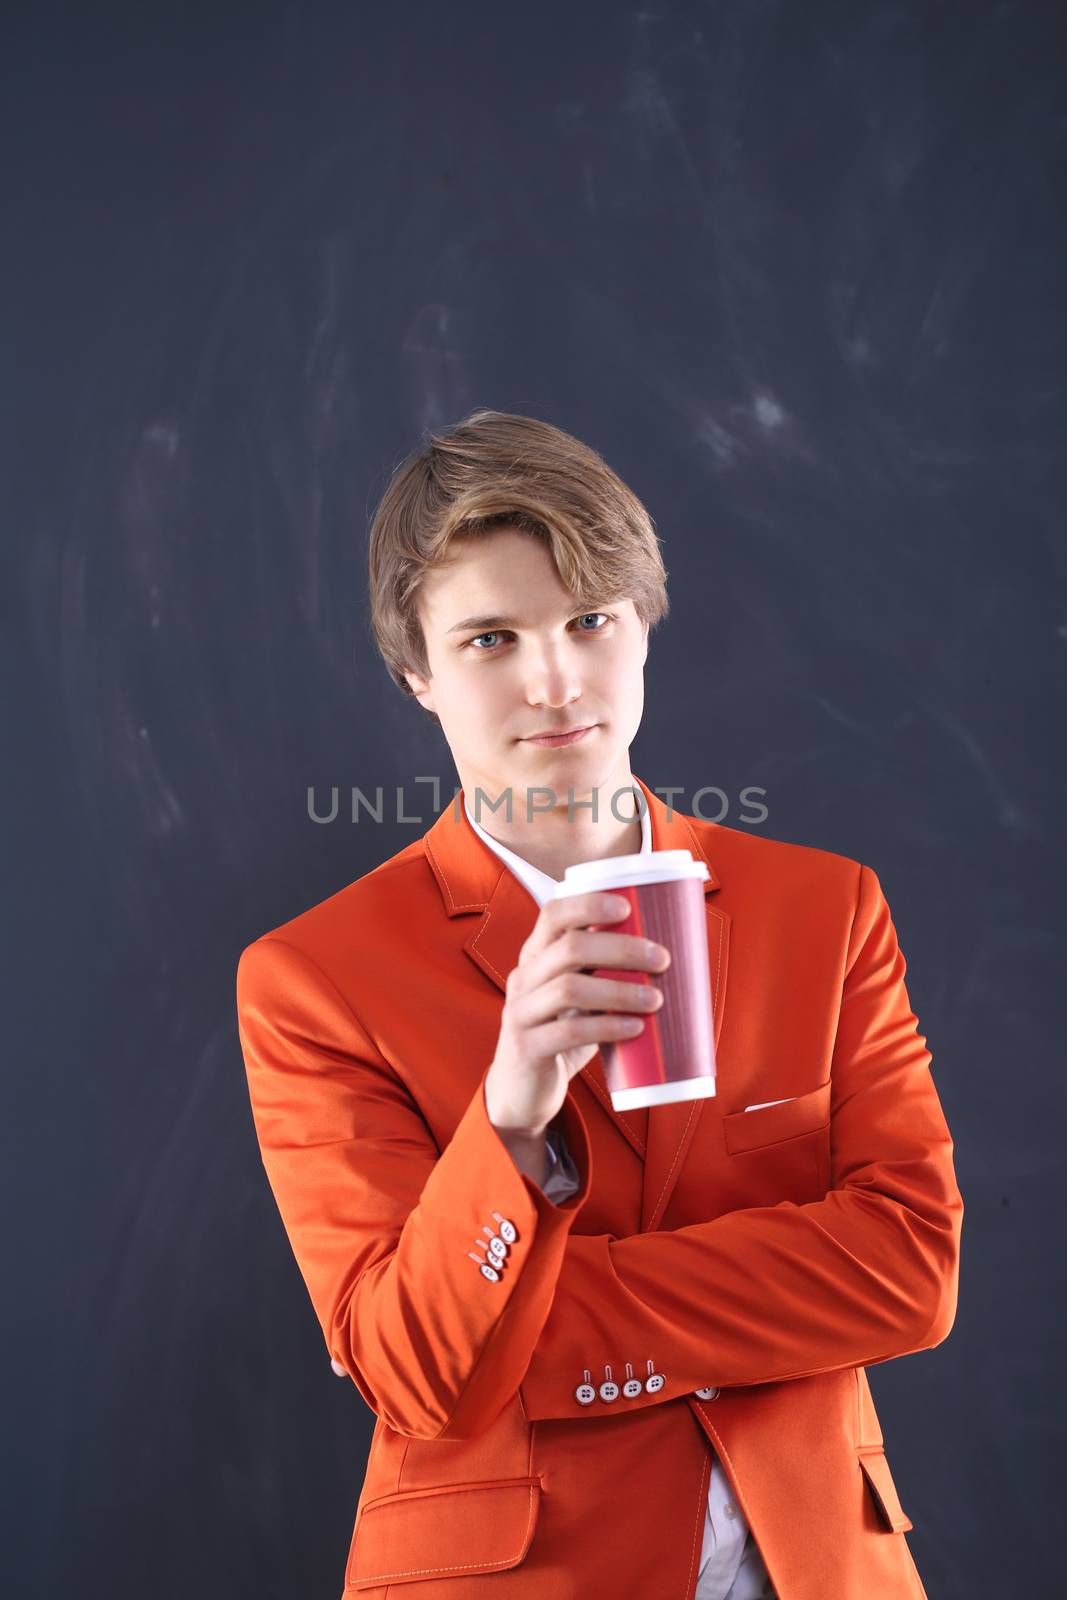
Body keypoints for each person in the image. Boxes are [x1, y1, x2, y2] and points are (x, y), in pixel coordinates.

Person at [235, 409, 962, 1599]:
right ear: (416, 673)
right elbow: (415, 1377)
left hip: (824, 1562)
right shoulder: (317, 979)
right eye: (488, 639)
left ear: (640, 627)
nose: (555, 679)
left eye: (587, 619)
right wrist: (510, 1122)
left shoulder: (821, 910)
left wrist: (531, 1334)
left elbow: (909, 1269)